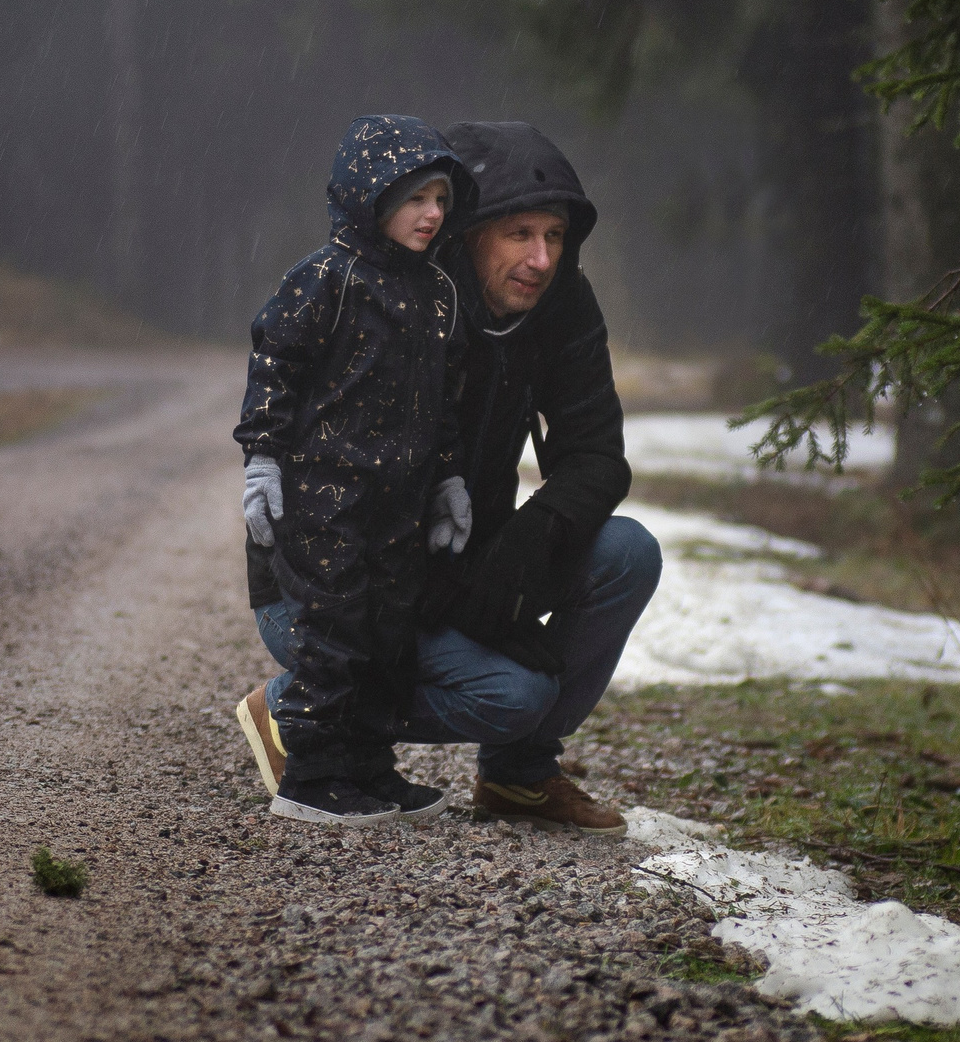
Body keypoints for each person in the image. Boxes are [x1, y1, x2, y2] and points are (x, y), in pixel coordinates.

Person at [235, 120, 658, 835]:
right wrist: (470, 599)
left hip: (455, 556)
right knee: (514, 695)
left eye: (554, 236)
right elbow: (350, 481)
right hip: (334, 583)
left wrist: (529, 546)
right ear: (470, 232)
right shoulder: (400, 298)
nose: (540, 258)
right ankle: (302, 713)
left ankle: (519, 778)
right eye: (519, 234)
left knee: (627, 552)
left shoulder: (562, 307)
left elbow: (597, 454)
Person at [232, 114, 478, 829]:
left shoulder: (437, 294)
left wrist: (449, 479)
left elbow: (443, 401)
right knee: (335, 633)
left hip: (398, 504)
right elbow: (274, 366)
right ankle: (310, 774)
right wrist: (263, 459)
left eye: (440, 198)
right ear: (368, 196)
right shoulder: (326, 279)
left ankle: (369, 767)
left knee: (388, 635)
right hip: (324, 499)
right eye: (414, 198)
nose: (432, 214)